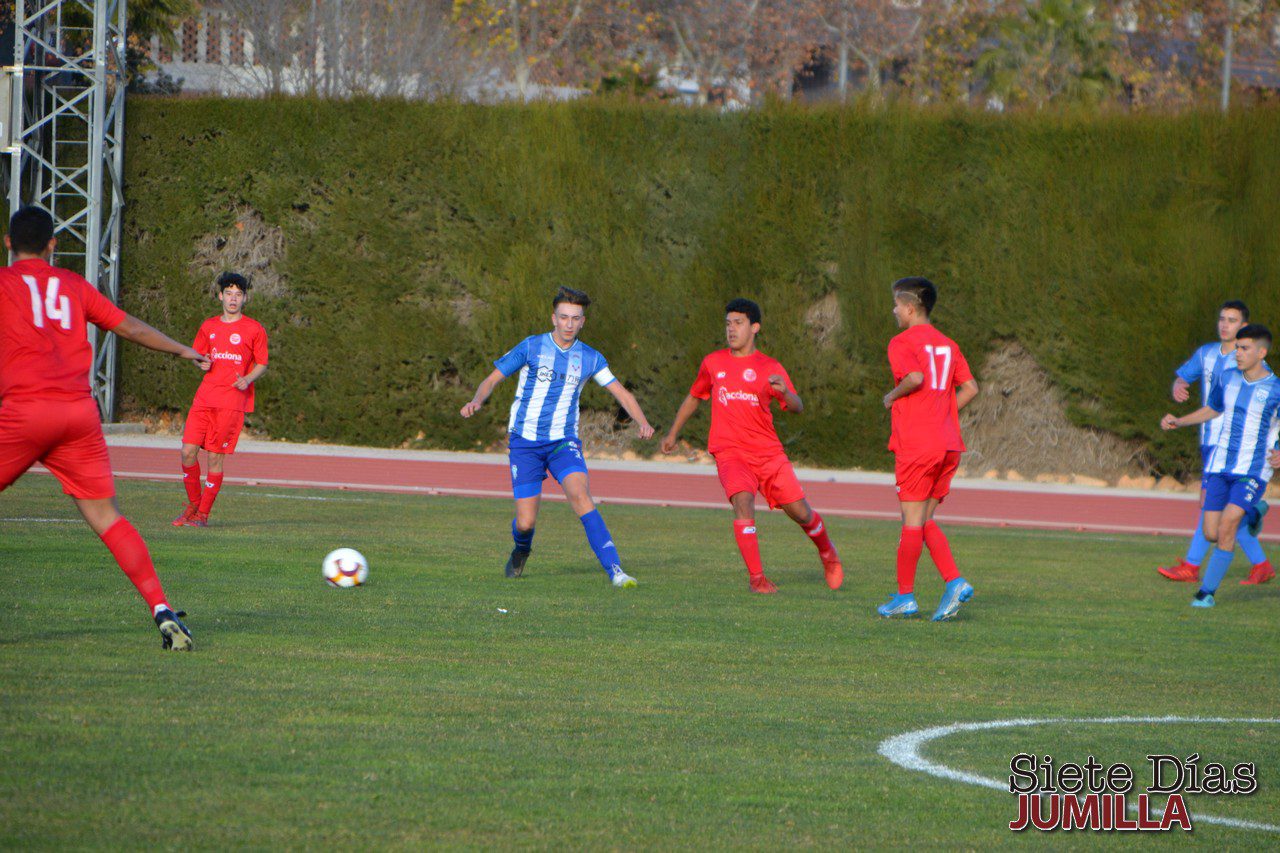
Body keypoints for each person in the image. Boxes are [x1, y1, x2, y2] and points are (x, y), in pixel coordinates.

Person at [0, 206, 205, 649]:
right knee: (107, 517)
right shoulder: (73, 286)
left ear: (8, 243)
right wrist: (182, 351)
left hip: (24, 412)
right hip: (78, 415)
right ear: (53, 245)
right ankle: (162, 609)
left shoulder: (4, 284)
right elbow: (128, 327)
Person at [460, 287, 654, 587]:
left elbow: (620, 392)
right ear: (554, 318)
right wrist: (477, 400)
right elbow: (491, 379)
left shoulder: (590, 357)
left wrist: (642, 421)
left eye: (575, 318)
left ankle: (616, 570)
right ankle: (521, 550)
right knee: (525, 522)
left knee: (580, 494)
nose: (569, 324)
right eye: (563, 317)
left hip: (563, 441)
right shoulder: (531, 347)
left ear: (582, 322)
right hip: (524, 442)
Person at [661, 298, 843, 594]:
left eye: (738, 323)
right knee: (742, 502)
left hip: (768, 454)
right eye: (728, 323)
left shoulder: (769, 367)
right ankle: (757, 579)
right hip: (730, 452)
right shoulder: (713, 362)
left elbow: (797, 406)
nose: (731, 329)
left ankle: (828, 553)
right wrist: (672, 433)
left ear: (754, 327)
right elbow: (694, 396)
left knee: (801, 513)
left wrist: (787, 393)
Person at [877, 277, 980, 621]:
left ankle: (910, 595)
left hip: (918, 445)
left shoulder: (901, 341)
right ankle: (950, 583)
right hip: (948, 443)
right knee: (924, 519)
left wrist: (892, 397)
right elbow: (970, 388)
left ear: (909, 307)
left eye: (896, 305)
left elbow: (916, 378)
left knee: (910, 521)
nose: (894, 311)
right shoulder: (948, 344)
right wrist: (943, 414)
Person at [1160, 324, 1280, 607]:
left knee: (1227, 525)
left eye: (1244, 348)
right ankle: (1252, 516)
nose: (1237, 353)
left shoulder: (1275, 388)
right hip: (1219, 465)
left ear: (1261, 352)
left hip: (1252, 470)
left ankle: (1206, 593)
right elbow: (1212, 409)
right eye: (1237, 347)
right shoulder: (1227, 378)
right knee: (1211, 532)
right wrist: (1180, 420)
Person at [172, 272, 269, 528]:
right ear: (220, 296)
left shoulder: (253, 329)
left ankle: (202, 515)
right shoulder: (209, 326)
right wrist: (199, 362)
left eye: (238, 294)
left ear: (245, 298)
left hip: (230, 402)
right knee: (187, 451)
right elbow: (197, 354)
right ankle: (193, 506)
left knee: (215, 458)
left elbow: (262, 363)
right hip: (204, 398)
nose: (233, 299)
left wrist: (247, 379)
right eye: (229, 293)